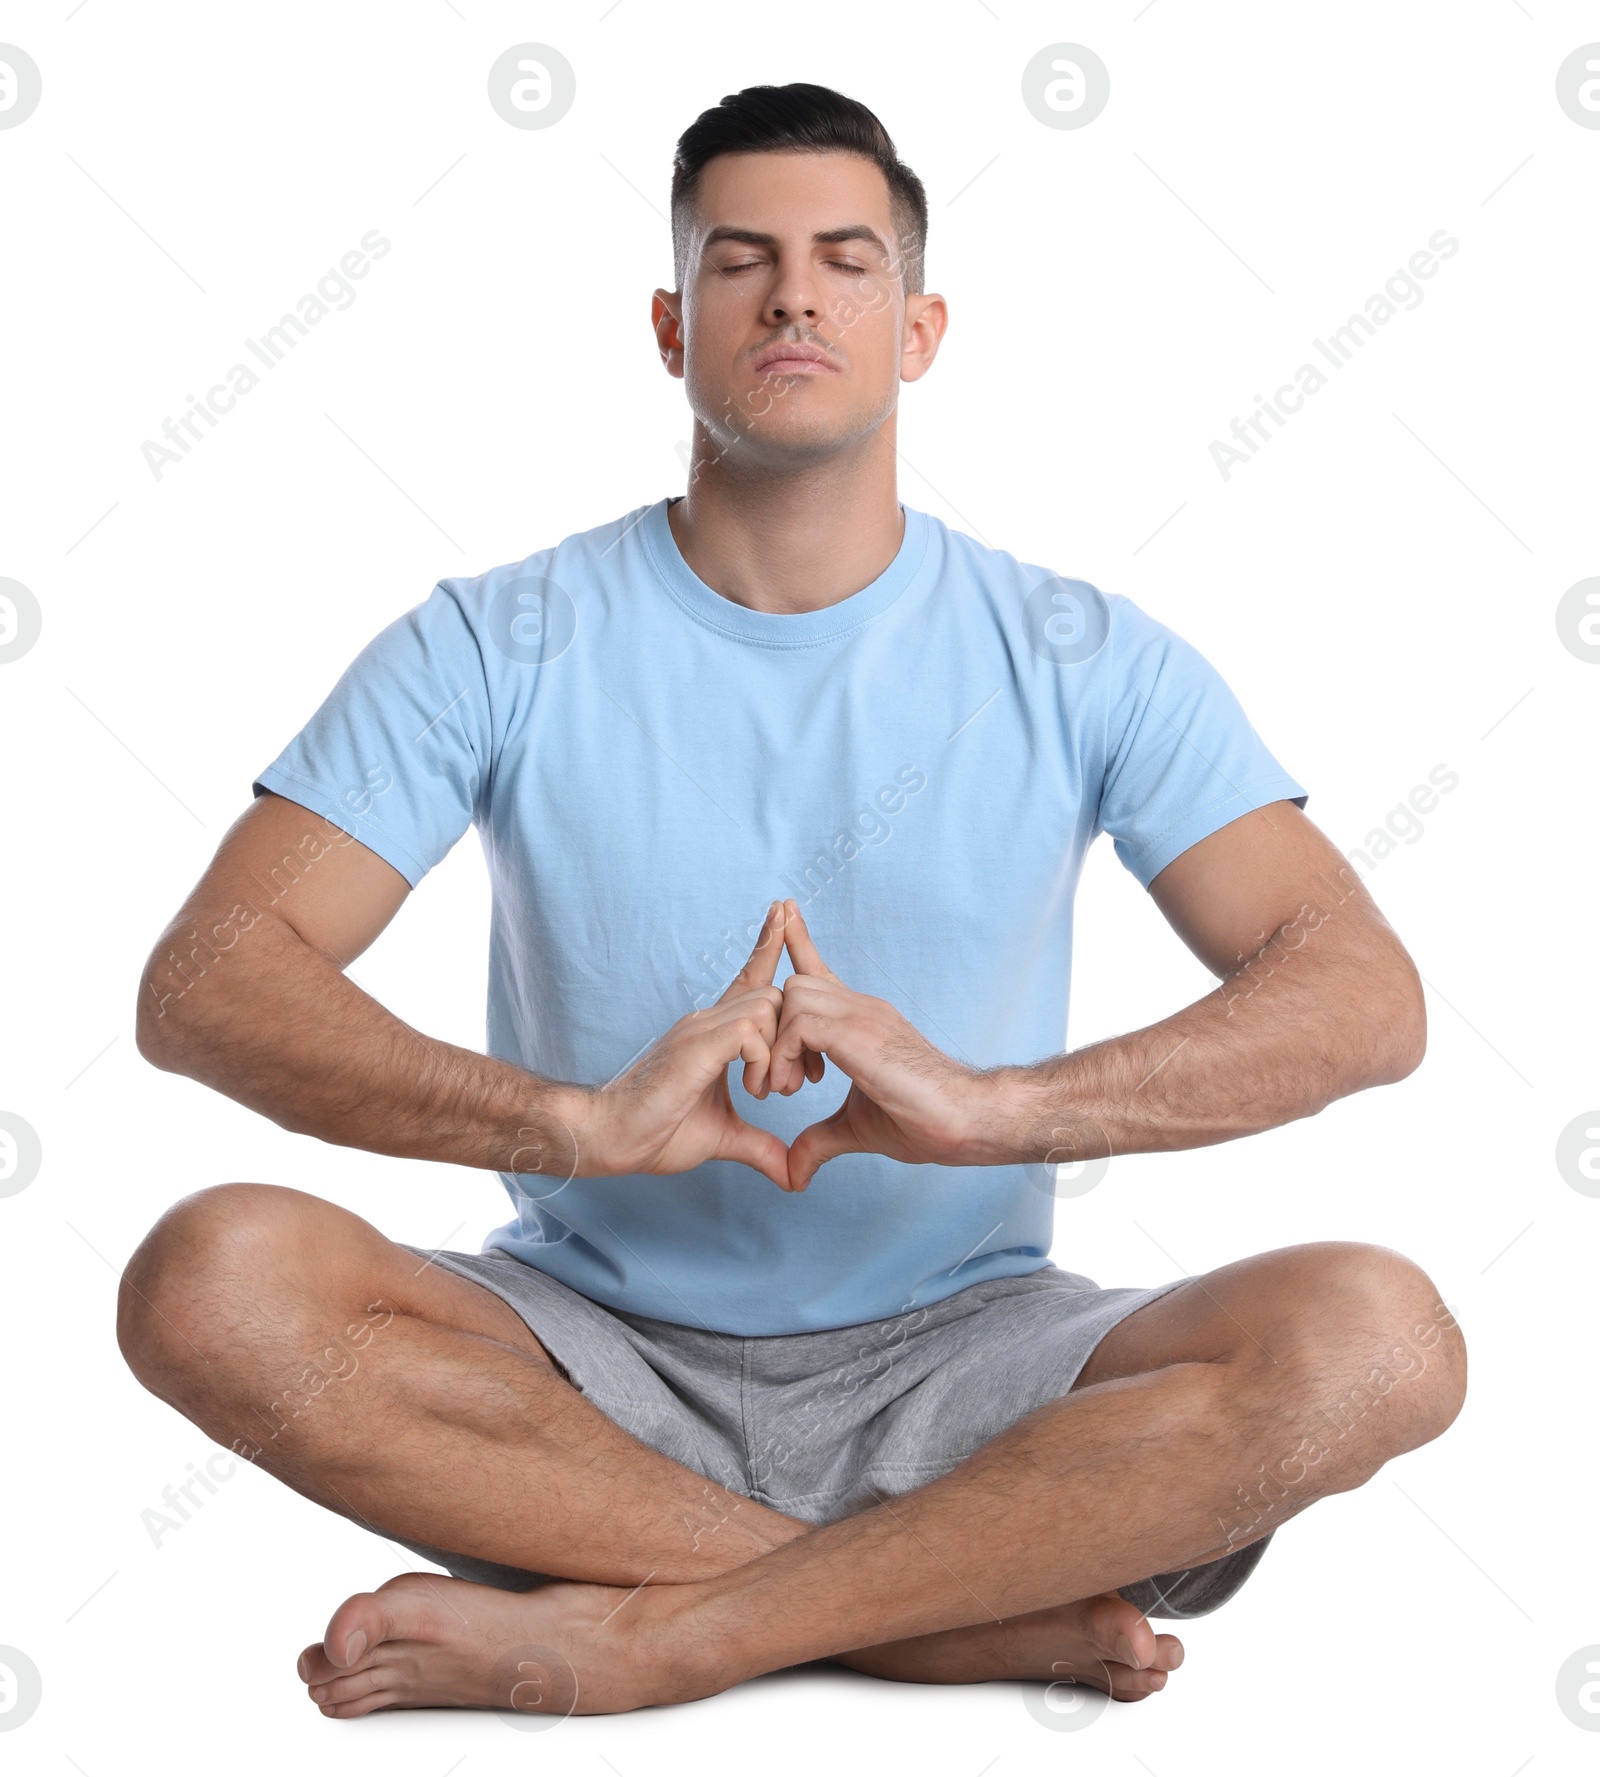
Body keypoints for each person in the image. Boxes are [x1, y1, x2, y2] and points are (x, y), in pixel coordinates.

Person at [117, 82, 1465, 1719]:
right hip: (575, 1371)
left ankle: (669, 1621)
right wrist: (576, 1124)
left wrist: (989, 1108)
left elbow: (1359, 994)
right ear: (675, 325)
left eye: (843, 259)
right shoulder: (494, 641)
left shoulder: (1080, 653)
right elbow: (206, 982)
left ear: (920, 325)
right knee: (209, 1274)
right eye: (743, 262)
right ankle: (921, 1607)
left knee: (1384, 1336)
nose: (796, 295)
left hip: (975, 1364)